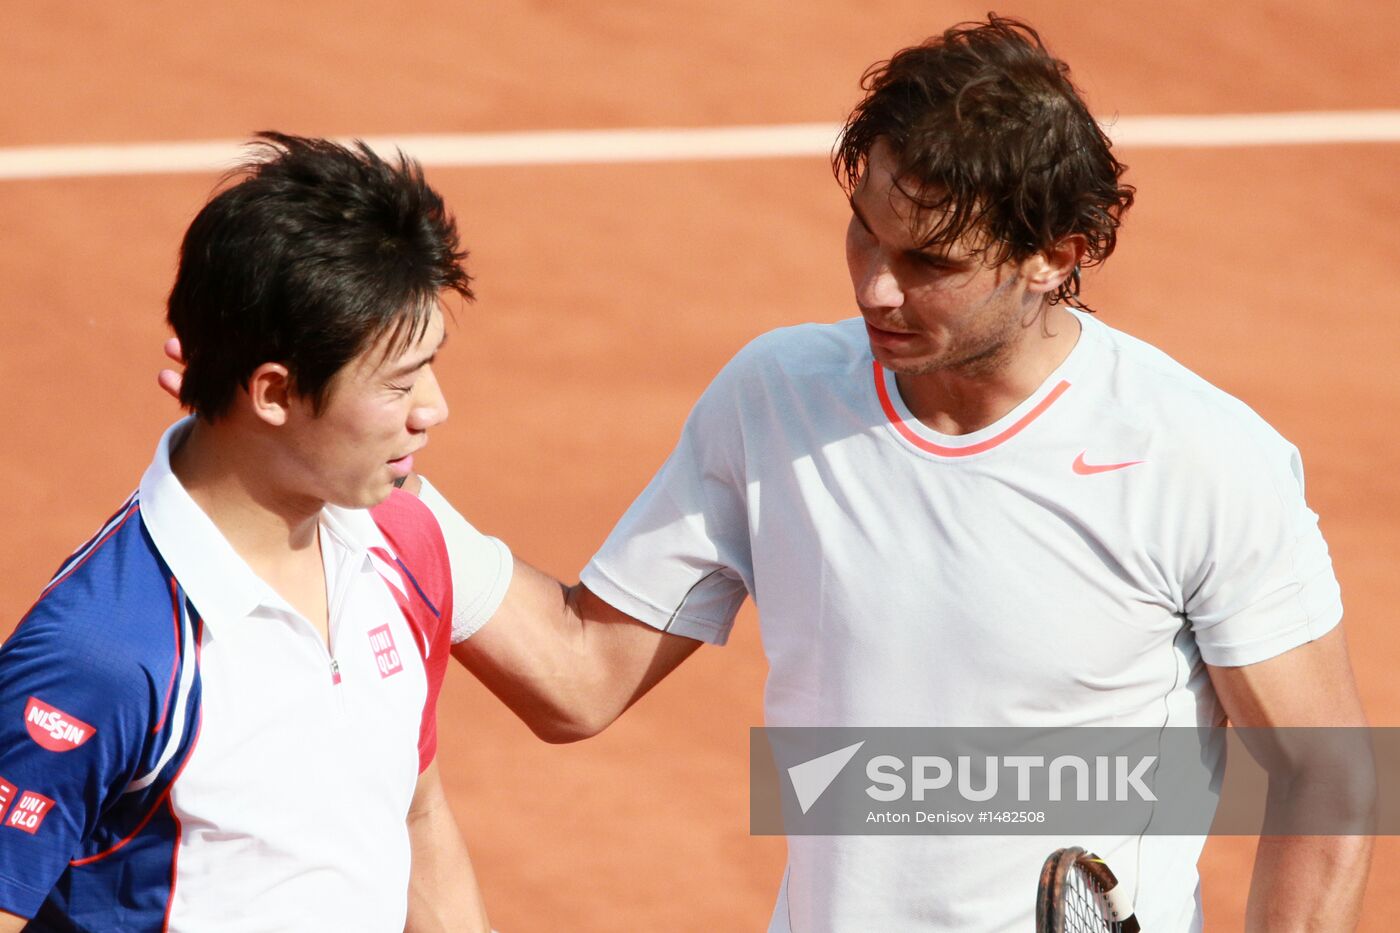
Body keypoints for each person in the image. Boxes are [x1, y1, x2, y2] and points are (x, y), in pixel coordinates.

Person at [156, 17, 1373, 931]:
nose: (874, 288)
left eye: (931, 262)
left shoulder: (1197, 457)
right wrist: (332, 450)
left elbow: (1323, 773)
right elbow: (577, 676)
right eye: (864, 233)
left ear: (1057, 256)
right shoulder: (779, 397)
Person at [0, 133, 507, 932]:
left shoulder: (405, 545)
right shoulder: (104, 653)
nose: (433, 408)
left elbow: (415, 814)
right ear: (273, 391)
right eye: (401, 382)